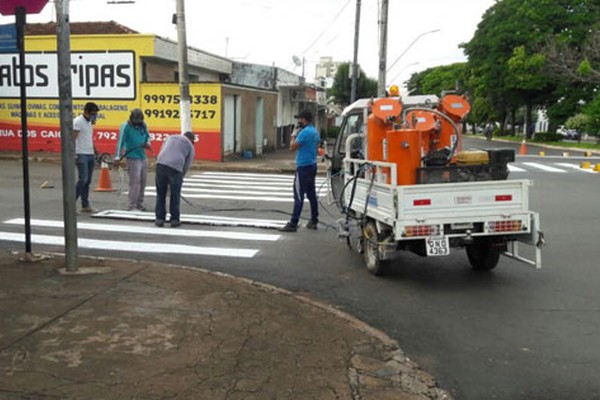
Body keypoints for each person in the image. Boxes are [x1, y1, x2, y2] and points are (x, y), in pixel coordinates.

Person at [279, 110, 320, 232]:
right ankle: (314, 220)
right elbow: (317, 147)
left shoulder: (304, 132)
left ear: (304, 119)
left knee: (298, 195)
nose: (298, 121)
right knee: (311, 194)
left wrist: (293, 135)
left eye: (300, 119)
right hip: (312, 165)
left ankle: (293, 223)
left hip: (302, 166)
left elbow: (292, 147)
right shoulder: (315, 132)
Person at [154, 131, 196, 228]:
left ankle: (159, 219)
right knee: (175, 195)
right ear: (192, 140)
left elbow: (162, 150)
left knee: (161, 194)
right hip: (176, 168)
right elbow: (187, 164)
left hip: (161, 164)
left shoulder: (171, 137)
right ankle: (175, 219)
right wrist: (181, 177)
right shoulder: (190, 146)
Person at [115, 108, 151, 211]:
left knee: (143, 181)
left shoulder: (143, 125)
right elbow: (120, 141)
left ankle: (139, 203)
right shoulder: (126, 126)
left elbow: (147, 137)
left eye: (140, 121)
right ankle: (131, 205)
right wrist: (117, 156)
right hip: (132, 156)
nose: (138, 123)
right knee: (135, 182)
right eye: (137, 121)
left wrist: (148, 143)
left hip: (142, 156)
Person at [73, 102, 100, 213]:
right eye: (93, 114)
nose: (94, 116)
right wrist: (73, 153)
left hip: (90, 153)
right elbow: (72, 138)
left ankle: (85, 204)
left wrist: (96, 151)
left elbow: (89, 138)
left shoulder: (89, 123)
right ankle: (71, 203)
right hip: (81, 153)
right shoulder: (78, 122)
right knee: (82, 179)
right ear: (86, 112)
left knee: (87, 181)